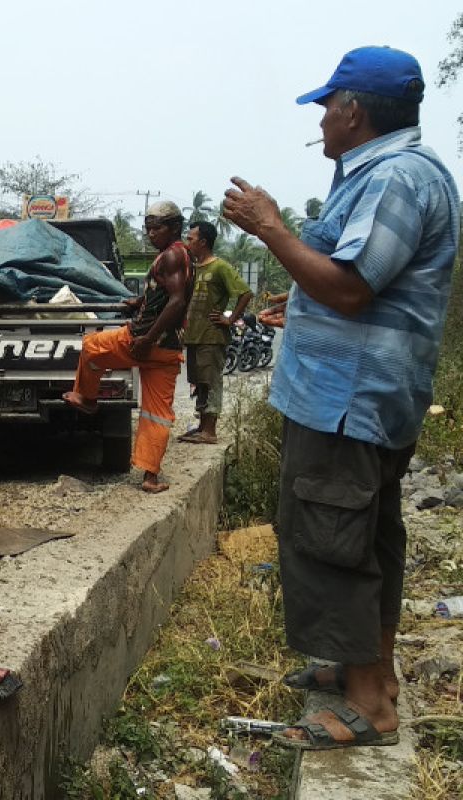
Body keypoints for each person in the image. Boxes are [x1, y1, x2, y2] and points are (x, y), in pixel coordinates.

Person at [223, 46, 459, 751]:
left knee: (331, 543)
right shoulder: (378, 176)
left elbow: (350, 289)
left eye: (328, 106)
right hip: (356, 400)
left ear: (354, 111)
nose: (322, 119)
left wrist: (269, 226)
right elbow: (333, 267)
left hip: (347, 402)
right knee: (365, 537)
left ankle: (370, 708)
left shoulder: (396, 179)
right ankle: (369, 674)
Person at [63, 200, 192, 492]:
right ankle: (150, 477)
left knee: (92, 346)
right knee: (157, 413)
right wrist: (141, 301)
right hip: (169, 349)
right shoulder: (184, 256)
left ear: (174, 227)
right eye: (147, 228)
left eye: (156, 228)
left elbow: (177, 301)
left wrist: (146, 339)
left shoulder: (171, 257)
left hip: (143, 339)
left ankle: (87, 398)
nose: (150, 234)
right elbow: (169, 297)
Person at [179, 221, 253, 444]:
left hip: (211, 336)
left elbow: (245, 293)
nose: (187, 242)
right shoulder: (192, 268)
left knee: (210, 381)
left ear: (203, 242)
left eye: (191, 239)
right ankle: (202, 426)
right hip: (194, 336)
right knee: (199, 381)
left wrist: (229, 319)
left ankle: (210, 431)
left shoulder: (220, 267)